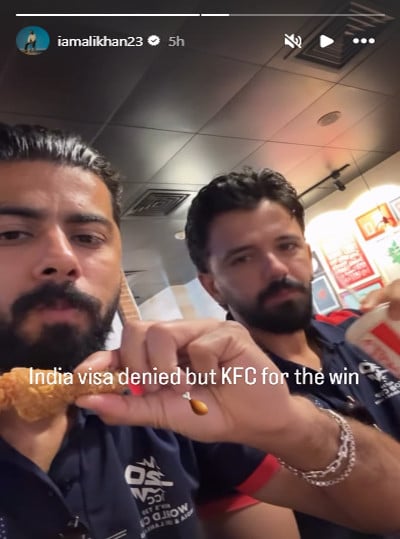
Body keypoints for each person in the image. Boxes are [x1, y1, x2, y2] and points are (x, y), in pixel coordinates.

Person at [1, 126, 400, 539]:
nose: (63, 258)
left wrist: (292, 424)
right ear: (212, 285)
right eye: (11, 233)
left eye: (87, 237)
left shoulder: (172, 402)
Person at [178, 167, 400, 539]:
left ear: (308, 256)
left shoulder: (369, 335)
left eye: (287, 246)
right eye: (243, 258)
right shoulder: (218, 402)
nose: (277, 268)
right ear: (213, 287)